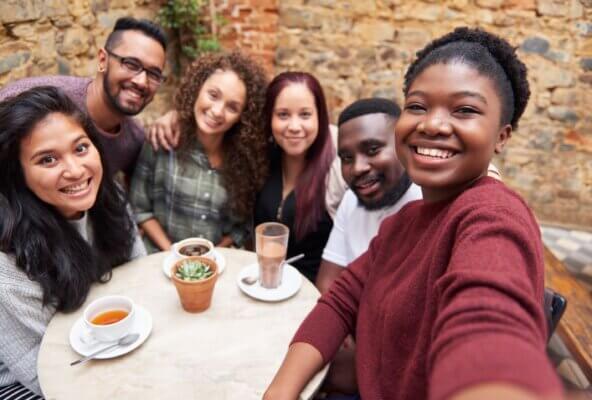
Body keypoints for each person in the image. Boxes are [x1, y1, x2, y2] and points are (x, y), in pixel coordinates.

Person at [264, 27, 563, 400]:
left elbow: (488, 323)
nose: (432, 124)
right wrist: (279, 392)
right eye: (417, 106)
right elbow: (340, 301)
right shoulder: (403, 223)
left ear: (502, 136)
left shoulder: (492, 216)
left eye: (465, 110)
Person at [0, 87, 146, 399]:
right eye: (48, 159)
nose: (75, 170)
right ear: (18, 175)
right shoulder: (6, 266)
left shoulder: (112, 199)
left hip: (106, 345)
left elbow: (141, 281)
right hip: (31, 380)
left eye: (81, 148)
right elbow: (45, 373)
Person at [129, 51, 268, 253]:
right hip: (160, 262)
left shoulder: (245, 161)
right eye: (213, 95)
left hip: (215, 267)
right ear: (197, 89)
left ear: (242, 116)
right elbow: (140, 208)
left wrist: (212, 255)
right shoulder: (162, 140)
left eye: (232, 107)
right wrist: (173, 253)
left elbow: (241, 227)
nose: (218, 111)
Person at [0, 17, 168, 178]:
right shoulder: (28, 99)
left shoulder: (133, 141)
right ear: (103, 60)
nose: (141, 81)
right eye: (131, 64)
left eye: (154, 74)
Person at [254, 72, 341, 283]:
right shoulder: (261, 158)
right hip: (262, 287)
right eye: (283, 115)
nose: (294, 126)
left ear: (319, 116)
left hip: (312, 296)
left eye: (305, 115)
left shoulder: (339, 167)